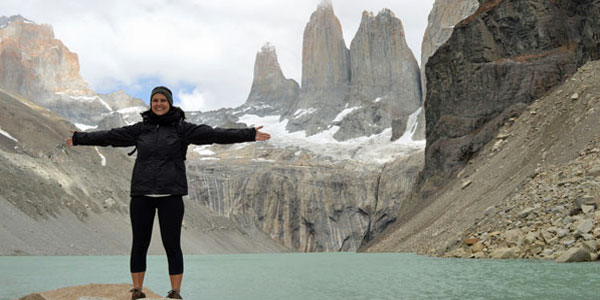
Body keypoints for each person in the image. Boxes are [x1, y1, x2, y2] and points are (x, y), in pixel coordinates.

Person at [66, 86, 271, 300]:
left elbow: (213, 134)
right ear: (151, 103)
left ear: (170, 103)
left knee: (172, 245)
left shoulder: (182, 129)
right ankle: (137, 290)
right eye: (155, 100)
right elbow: (110, 136)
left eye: (163, 100)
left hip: (171, 196)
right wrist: (81, 138)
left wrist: (249, 134)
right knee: (139, 244)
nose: (159, 104)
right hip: (141, 194)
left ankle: (175, 292)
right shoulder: (140, 129)